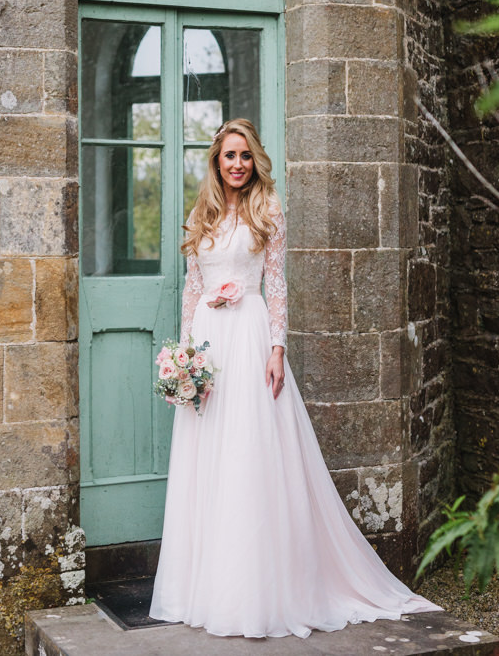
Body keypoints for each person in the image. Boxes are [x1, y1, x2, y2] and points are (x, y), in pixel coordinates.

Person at [149, 118, 441, 638]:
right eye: (228, 156)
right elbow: (193, 289)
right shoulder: (203, 213)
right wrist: (184, 354)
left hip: (251, 336)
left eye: (244, 156)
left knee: (249, 452)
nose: (237, 164)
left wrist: (278, 348)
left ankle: (256, 590)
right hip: (210, 343)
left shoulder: (269, 209)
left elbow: (277, 282)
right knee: (206, 455)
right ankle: (205, 585)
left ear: (253, 160)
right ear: (216, 161)